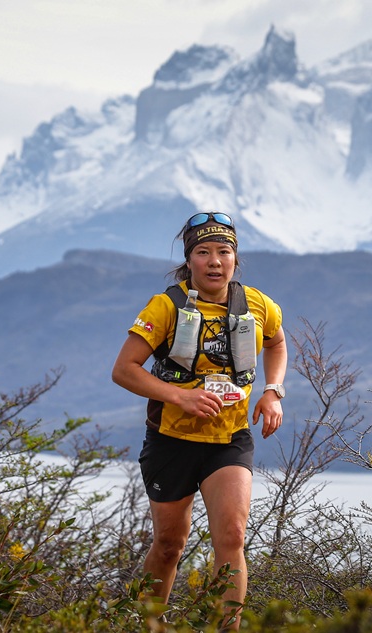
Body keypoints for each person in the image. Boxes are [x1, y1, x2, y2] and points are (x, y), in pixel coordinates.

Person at [111, 211, 287, 627]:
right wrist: (180, 396)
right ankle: (148, 624)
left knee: (232, 538)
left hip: (229, 441)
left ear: (235, 259)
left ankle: (228, 628)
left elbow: (277, 342)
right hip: (171, 440)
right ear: (189, 261)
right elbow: (124, 369)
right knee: (171, 544)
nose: (214, 261)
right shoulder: (167, 306)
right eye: (203, 252)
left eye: (224, 252)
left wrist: (272, 391)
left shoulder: (257, 304)